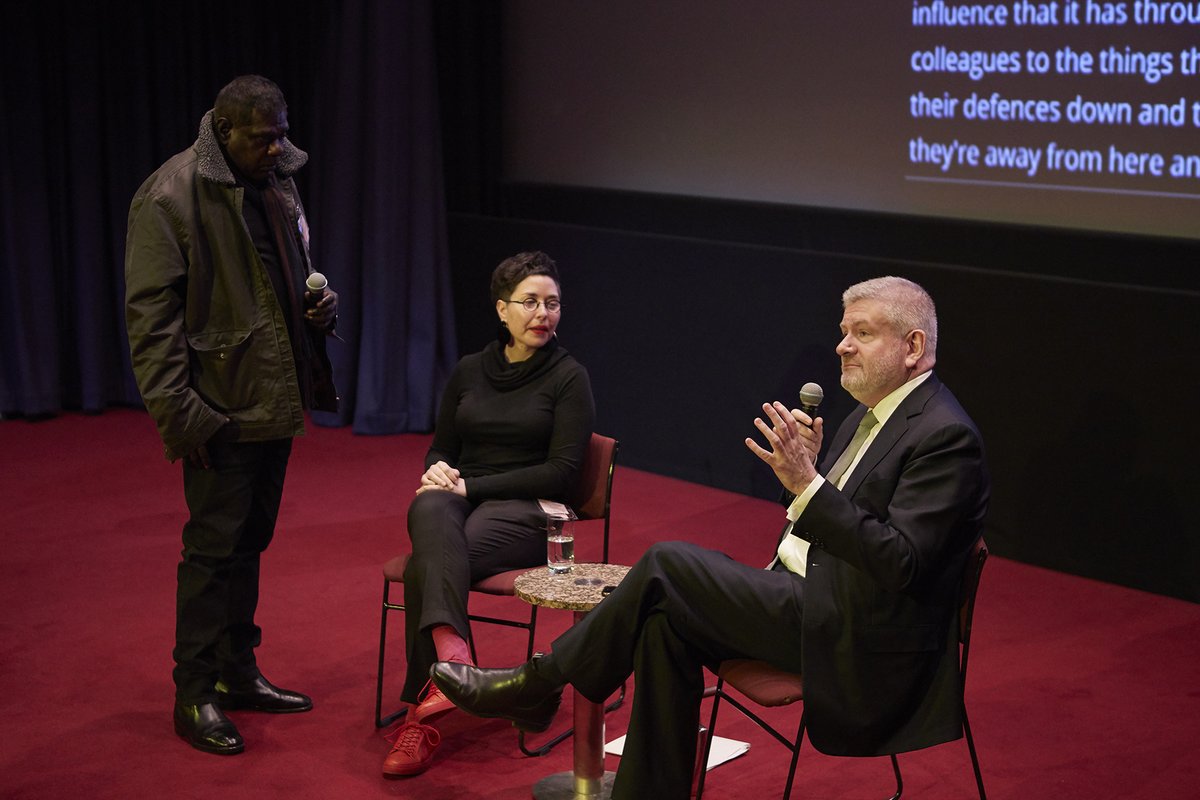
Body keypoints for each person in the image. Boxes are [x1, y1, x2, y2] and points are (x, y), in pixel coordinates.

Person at [430, 276, 990, 798]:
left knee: (669, 563)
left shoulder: (945, 437)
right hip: (808, 596)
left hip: (857, 632)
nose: (842, 346)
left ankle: (541, 683)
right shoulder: (868, 416)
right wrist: (809, 482)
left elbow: (902, 564)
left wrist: (811, 485)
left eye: (862, 334)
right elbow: (832, 522)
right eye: (843, 332)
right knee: (662, 621)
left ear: (913, 346)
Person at [124, 75, 339, 756]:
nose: (276, 148)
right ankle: (195, 694)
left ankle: (238, 672)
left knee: (250, 542)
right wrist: (184, 417)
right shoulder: (169, 194)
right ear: (222, 127)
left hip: (272, 394)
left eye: (281, 133)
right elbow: (150, 323)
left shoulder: (277, 178)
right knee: (212, 553)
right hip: (217, 406)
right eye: (261, 137)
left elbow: (289, 265)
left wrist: (319, 308)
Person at [382, 251, 596, 777]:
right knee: (428, 502)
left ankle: (421, 713)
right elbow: (440, 449)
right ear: (502, 310)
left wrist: (467, 484)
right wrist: (439, 474)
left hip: (532, 514)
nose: (542, 313)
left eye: (552, 303)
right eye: (530, 302)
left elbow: (562, 472)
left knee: (425, 566)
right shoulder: (469, 371)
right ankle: (453, 664)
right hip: (459, 503)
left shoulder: (569, 378)